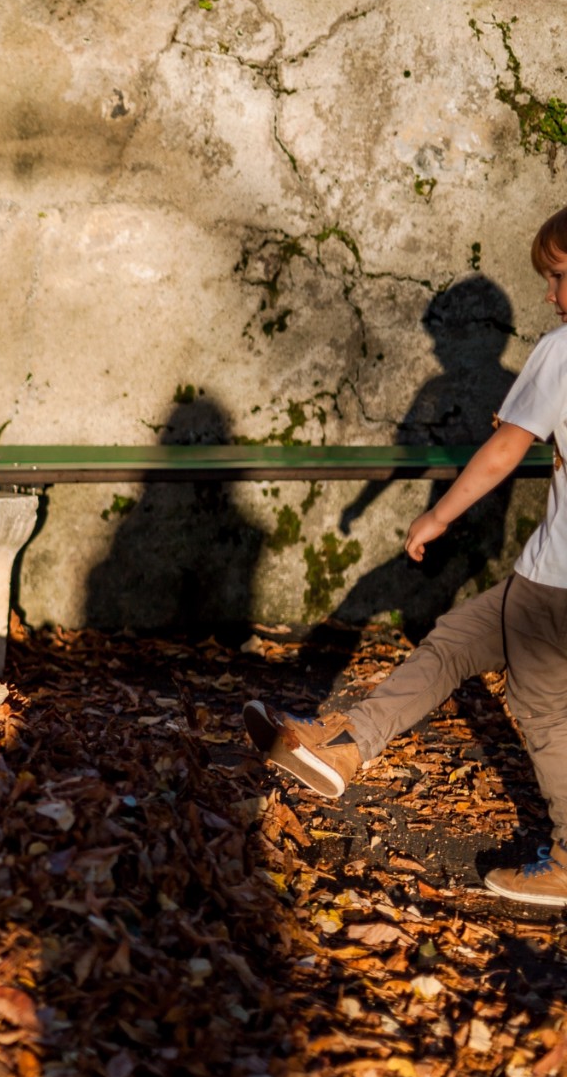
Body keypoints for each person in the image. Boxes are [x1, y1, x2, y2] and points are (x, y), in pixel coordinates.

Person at [243, 204, 567, 907]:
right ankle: (346, 743)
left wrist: (438, 514)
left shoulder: (563, 350)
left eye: (559, 277)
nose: (550, 295)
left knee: (537, 707)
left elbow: (506, 448)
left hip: (555, 581)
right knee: (452, 642)